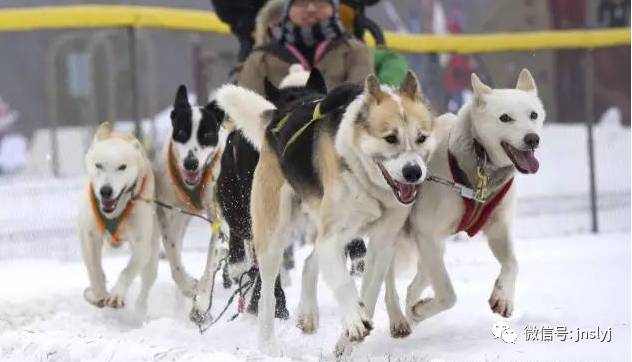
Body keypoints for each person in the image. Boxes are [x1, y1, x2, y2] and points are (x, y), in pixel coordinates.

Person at [238, 0, 373, 95]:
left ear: (333, 7)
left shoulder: (355, 51)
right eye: (301, 2)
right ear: (287, 9)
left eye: (321, 1)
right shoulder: (261, 59)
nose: (311, 8)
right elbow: (247, 108)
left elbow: (359, 99)